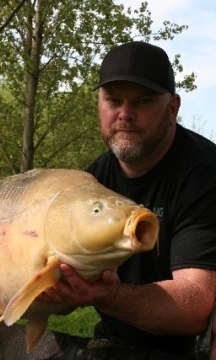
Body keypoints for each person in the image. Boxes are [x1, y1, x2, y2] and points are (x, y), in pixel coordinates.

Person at [40, 41, 216, 358]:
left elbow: (196, 303)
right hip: (115, 341)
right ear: (99, 104)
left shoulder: (203, 174)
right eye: (113, 100)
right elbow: (63, 298)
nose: (125, 114)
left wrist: (107, 296)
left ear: (173, 108)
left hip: (195, 347)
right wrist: (56, 289)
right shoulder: (89, 183)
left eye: (143, 101)